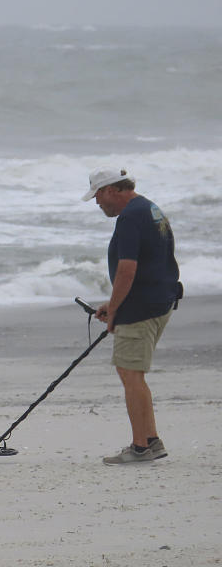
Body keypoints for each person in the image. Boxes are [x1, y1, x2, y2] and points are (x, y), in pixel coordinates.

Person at [82, 167, 181, 464]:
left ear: (112, 189)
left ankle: (140, 447)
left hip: (141, 308)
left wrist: (114, 309)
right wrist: (112, 304)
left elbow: (128, 269)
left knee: (130, 375)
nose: (98, 203)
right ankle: (151, 440)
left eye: (98, 195)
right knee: (133, 374)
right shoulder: (149, 209)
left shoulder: (129, 218)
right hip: (158, 301)